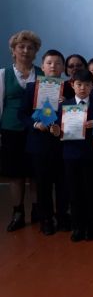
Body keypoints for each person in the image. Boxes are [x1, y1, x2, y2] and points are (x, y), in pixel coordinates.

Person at [18, 49, 72, 235]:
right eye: (49, 63)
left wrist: (66, 103)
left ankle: (63, 216)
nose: (53, 66)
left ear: (63, 68)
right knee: (43, 184)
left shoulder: (70, 88)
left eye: (58, 63)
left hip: (63, 143)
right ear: (42, 66)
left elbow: (78, 113)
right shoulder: (32, 88)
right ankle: (46, 220)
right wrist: (35, 124)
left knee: (63, 183)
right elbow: (22, 114)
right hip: (39, 144)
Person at [51, 70, 93, 242]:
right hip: (70, 154)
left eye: (87, 85)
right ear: (72, 85)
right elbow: (56, 129)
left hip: (91, 155)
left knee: (91, 191)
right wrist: (55, 130)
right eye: (79, 84)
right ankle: (77, 226)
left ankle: (92, 226)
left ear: (92, 86)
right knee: (73, 191)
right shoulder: (64, 106)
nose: (83, 88)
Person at [1, 30, 43, 231]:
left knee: (35, 172)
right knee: (15, 173)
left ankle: (37, 210)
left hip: (36, 129)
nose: (26, 51)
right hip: (11, 130)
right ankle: (18, 212)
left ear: (35, 52)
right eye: (21, 47)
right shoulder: (3, 75)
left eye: (30, 48)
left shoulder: (43, 74)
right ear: (13, 50)